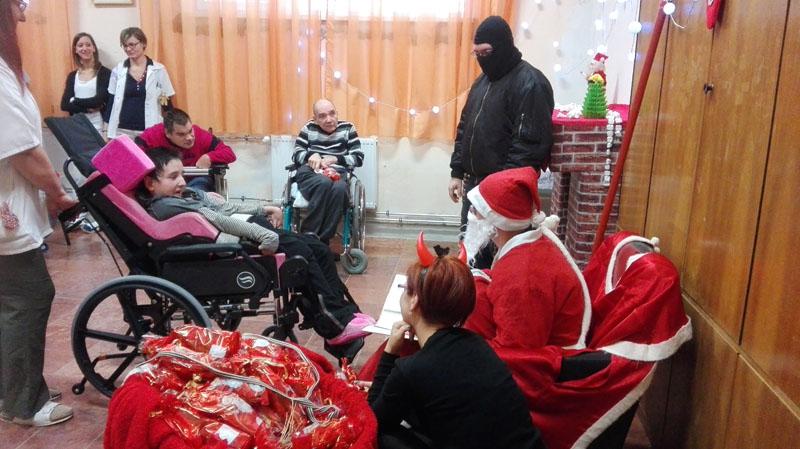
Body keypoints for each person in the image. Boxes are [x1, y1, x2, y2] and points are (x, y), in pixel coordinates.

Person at [137, 147, 374, 361]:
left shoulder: (183, 196)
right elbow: (218, 219)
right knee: (301, 254)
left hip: (247, 228)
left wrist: (263, 209)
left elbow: (224, 208)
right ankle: (335, 324)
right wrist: (264, 235)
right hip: (239, 239)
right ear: (150, 183)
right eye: (173, 177)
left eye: (182, 174)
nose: (181, 181)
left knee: (318, 247)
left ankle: (344, 315)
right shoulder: (166, 205)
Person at [368, 250, 546, 449]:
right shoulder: (477, 344)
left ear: (414, 300)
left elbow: (372, 421)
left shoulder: (412, 369)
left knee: (385, 437)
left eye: (405, 289)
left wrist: (390, 352)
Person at [0, 0, 77, 427]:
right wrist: (58, 193)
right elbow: (24, 151)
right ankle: (23, 403)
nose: (25, 12)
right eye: (19, 4)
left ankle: (13, 386)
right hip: (6, 211)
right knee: (28, 297)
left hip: (11, 199)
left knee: (11, 299)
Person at [448, 16, 554, 269]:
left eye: (486, 52)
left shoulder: (531, 83)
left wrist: (500, 191)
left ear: (503, 46)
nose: (481, 59)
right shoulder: (481, 83)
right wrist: (457, 171)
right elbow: (465, 127)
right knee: (470, 255)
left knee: (502, 262)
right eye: (476, 53)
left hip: (504, 195)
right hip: (475, 188)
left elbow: (528, 147)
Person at [462, 166, 590, 351]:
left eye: (477, 208)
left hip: (554, 359)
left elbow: (517, 351)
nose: (471, 214)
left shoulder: (523, 274)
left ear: (497, 220)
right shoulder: (527, 246)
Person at [292, 99, 363, 244]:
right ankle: (309, 234)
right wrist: (310, 155)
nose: (329, 119)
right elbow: (296, 154)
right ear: (315, 119)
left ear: (337, 113)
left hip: (337, 173)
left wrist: (336, 159)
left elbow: (358, 158)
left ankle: (321, 240)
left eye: (332, 114)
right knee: (324, 182)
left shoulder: (348, 128)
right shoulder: (308, 128)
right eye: (322, 116)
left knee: (340, 189)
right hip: (311, 172)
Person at [135, 108, 237, 192]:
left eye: (190, 131)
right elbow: (133, 159)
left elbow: (229, 153)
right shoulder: (151, 136)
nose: (189, 138)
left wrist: (209, 157)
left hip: (196, 182)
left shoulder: (201, 135)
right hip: (165, 185)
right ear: (168, 133)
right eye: (181, 134)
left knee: (198, 188)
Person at [105, 27, 175, 139]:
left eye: (132, 44)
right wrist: (106, 130)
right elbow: (111, 102)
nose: (128, 49)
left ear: (143, 43)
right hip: (121, 130)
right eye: (125, 45)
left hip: (148, 128)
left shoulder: (158, 70)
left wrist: (171, 126)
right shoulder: (118, 71)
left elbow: (165, 101)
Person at [59, 32, 111, 133]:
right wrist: (87, 109)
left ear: (94, 48)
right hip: (77, 126)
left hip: (98, 127)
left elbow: (97, 101)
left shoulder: (105, 73)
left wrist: (74, 100)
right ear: (76, 50)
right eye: (80, 45)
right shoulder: (72, 76)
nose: (84, 48)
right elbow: (64, 105)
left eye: (88, 45)